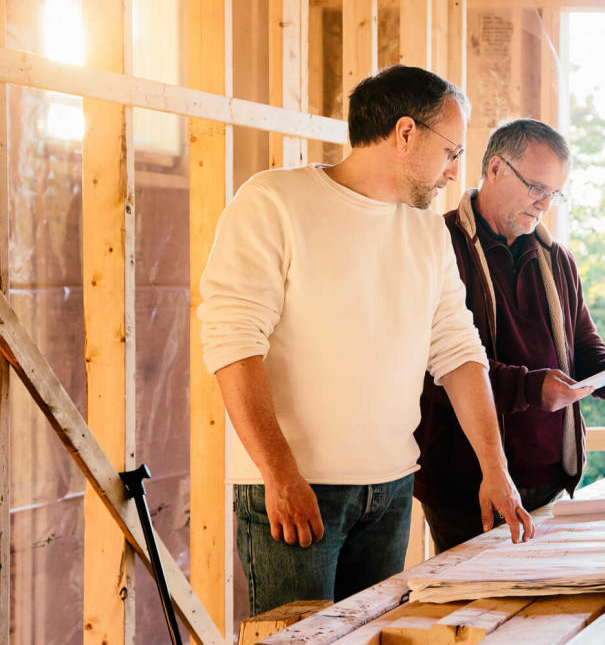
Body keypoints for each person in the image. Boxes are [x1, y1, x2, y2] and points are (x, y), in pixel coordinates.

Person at [198, 65, 532, 616]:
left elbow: (458, 351)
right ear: (405, 134)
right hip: (296, 487)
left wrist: (494, 469)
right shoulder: (273, 202)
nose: (455, 172)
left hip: (394, 488)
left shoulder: (426, 230)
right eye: (451, 151)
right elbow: (232, 343)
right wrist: (279, 473)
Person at [413, 118, 605, 553]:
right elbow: (433, 366)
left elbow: (582, 349)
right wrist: (532, 388)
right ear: (494, 169)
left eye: (554, 193)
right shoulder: (439, 245)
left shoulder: (556, 258)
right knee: (475, 614)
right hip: (468, 485)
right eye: (536, 187)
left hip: (552, 480)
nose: (545, 203)